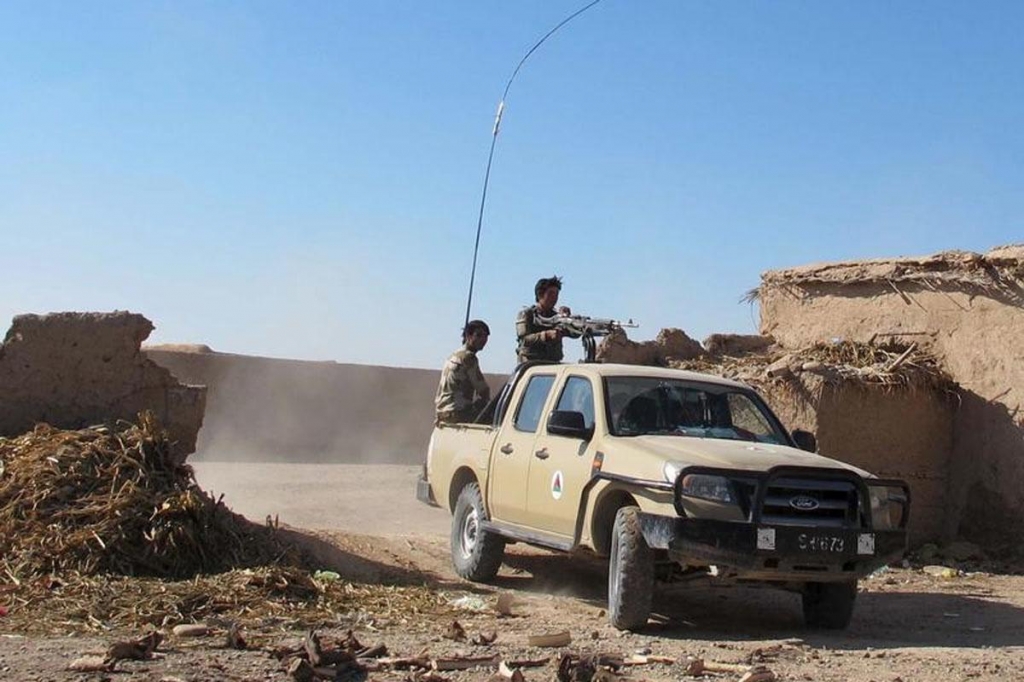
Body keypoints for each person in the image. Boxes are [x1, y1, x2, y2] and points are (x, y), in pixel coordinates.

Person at [435, 320, 491, 424]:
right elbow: (483, 390)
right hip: (457, 413)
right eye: (478, 335)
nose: (483, 340)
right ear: (468, 336)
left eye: (486, 336)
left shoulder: (453, 356)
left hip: (443, 413)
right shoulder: (468, 357)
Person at [516, 275, 573, 364]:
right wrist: (546, 336)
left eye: (556, 295)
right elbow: (524, 339)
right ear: (540, 295)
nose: (554, 298)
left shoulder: (557, 316)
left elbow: (573, 333)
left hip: (552, 364)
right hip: (531, 365)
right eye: (550, 294)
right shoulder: (527, 314)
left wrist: (568, 319)